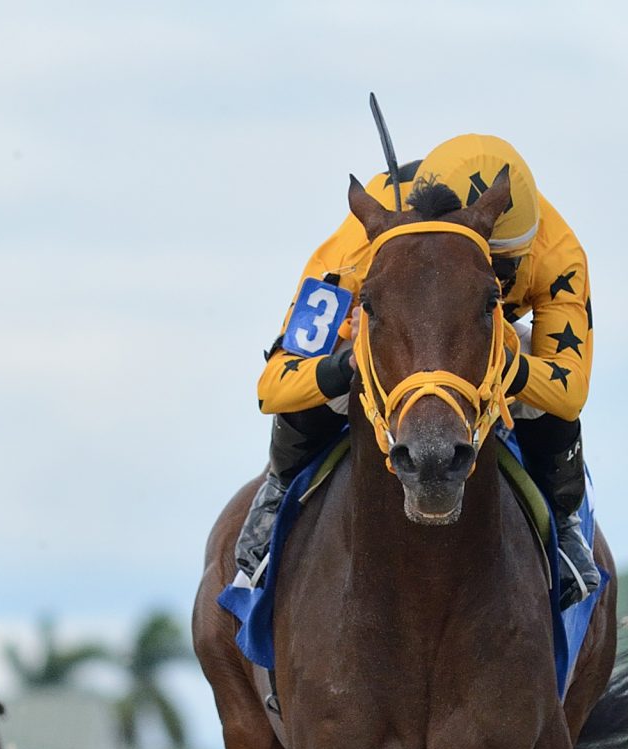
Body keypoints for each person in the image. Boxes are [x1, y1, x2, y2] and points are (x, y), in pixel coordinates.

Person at [234, 133, 600, 609]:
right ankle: (277, 490)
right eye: (496, 264)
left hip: (484, 337)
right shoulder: (350, 252)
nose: (509, 275)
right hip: (392, 337)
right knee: (337, 356)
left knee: (533, 359)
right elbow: (274, 387)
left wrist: (500, 358)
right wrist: (350, 363)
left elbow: (569, 389)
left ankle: (564, 519)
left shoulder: (559, 254)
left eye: (511, 266)